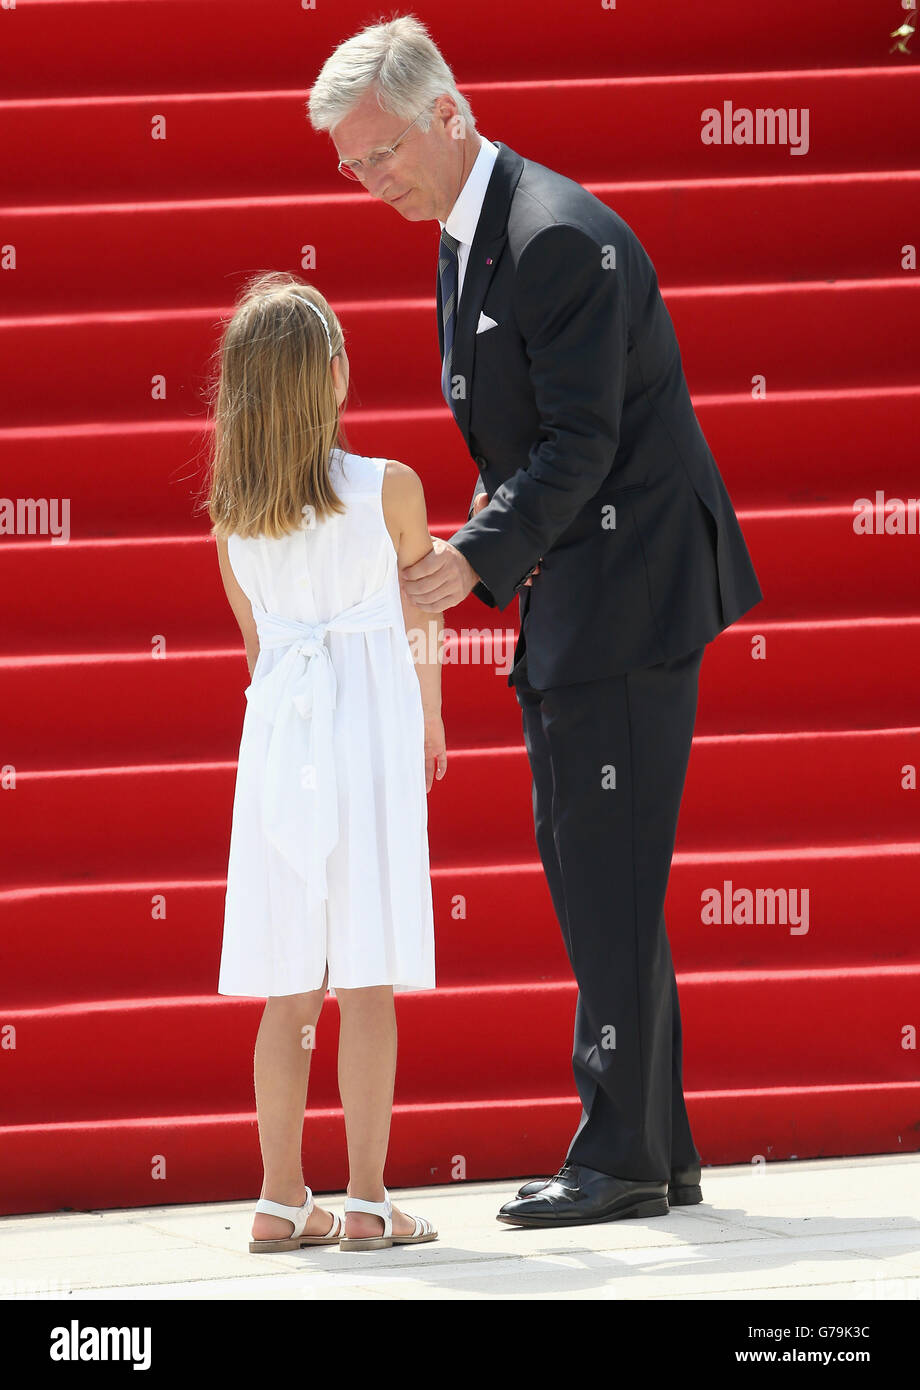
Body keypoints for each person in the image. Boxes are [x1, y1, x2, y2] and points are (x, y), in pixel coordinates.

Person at [308, 16, 764, 1227]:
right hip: (582, 592)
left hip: (627, 591)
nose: (367, 182)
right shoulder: (472, 236)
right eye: (350, 165)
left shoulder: (552, 238)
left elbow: (580, 443)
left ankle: (616, 1153)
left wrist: (476, 557)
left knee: (600, 875)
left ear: (446, 114)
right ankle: (654, 1147)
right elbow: (520, 437)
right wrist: (489, 540)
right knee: (599, 871)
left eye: (381, 153)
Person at [207, 270, 443, 1252]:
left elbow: (258, 654)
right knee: (369, 974)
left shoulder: (232, 518)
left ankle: (276, 1196)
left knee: (286, 983)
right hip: (368, 736)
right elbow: (424, 617)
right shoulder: (389, 487)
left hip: (279, 747)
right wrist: (429, 722)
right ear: (335, 377)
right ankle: (367, 1199)